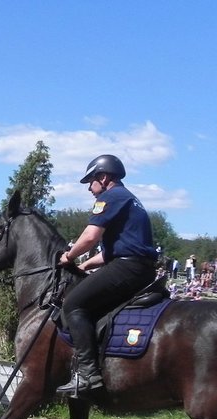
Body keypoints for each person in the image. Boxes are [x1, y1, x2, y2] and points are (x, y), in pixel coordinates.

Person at [55, 154, 157, 397]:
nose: (90, 188)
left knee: (73, 304)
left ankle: (88, 374)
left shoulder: (110, 197)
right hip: (138, 266)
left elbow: (91, 237)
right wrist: (87, 264)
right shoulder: (130, 199)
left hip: (128, 267)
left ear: (103, 177)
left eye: (91, 181)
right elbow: (117, 249)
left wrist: (68, 257)